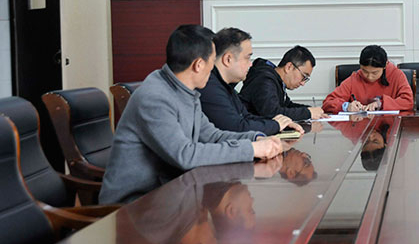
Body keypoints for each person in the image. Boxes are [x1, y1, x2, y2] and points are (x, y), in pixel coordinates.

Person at [100, 25, 284, 204]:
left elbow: (212, 136)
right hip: (135, 204)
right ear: (198, 65)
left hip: (171, 193)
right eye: (212, 61)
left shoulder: (187, 92)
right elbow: (185, 155)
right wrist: (251, 150)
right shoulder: (154, 97)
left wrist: (256, 138)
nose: (213, 68)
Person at [198, 27, 304, 135]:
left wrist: (279, 123)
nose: (250, 64)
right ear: (228, 59)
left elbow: (246, 117)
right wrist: (275, 125)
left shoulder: (225, 85)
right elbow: (236, 127)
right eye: (247, 58)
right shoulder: (209, 86)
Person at [240, 45, 326, 121]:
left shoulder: (277, 81)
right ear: (289, 67)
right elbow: (272, 113)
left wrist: (311, 110)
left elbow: (286, 105)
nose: (303, 83)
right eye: (303, 76)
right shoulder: (264, 80)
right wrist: (308, 113)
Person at [322, 45, 414, 113]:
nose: (369, 77)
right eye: (365, 71)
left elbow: (408, 102)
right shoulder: (355, 78)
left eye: (375, 73)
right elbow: (328, 102)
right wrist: (346, 106)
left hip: (390, 126)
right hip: (360, 126)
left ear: (385, 65)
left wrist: (381, 104)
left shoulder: (397, 75)